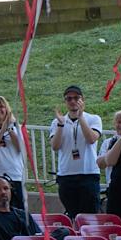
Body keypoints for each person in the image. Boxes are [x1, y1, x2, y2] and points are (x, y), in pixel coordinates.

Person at [48, 85, 104, 218]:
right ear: (65, 101)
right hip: (66, 175)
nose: (73, 101)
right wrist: (61, 125)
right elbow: (55, 146)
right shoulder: (57, 122)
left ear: (82, 100)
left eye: (76, 98)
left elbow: (91, 139)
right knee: (72, 216)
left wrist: (81, 118)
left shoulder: (93, 119)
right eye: (69, 99)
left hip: (88, 174)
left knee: (89, 217)